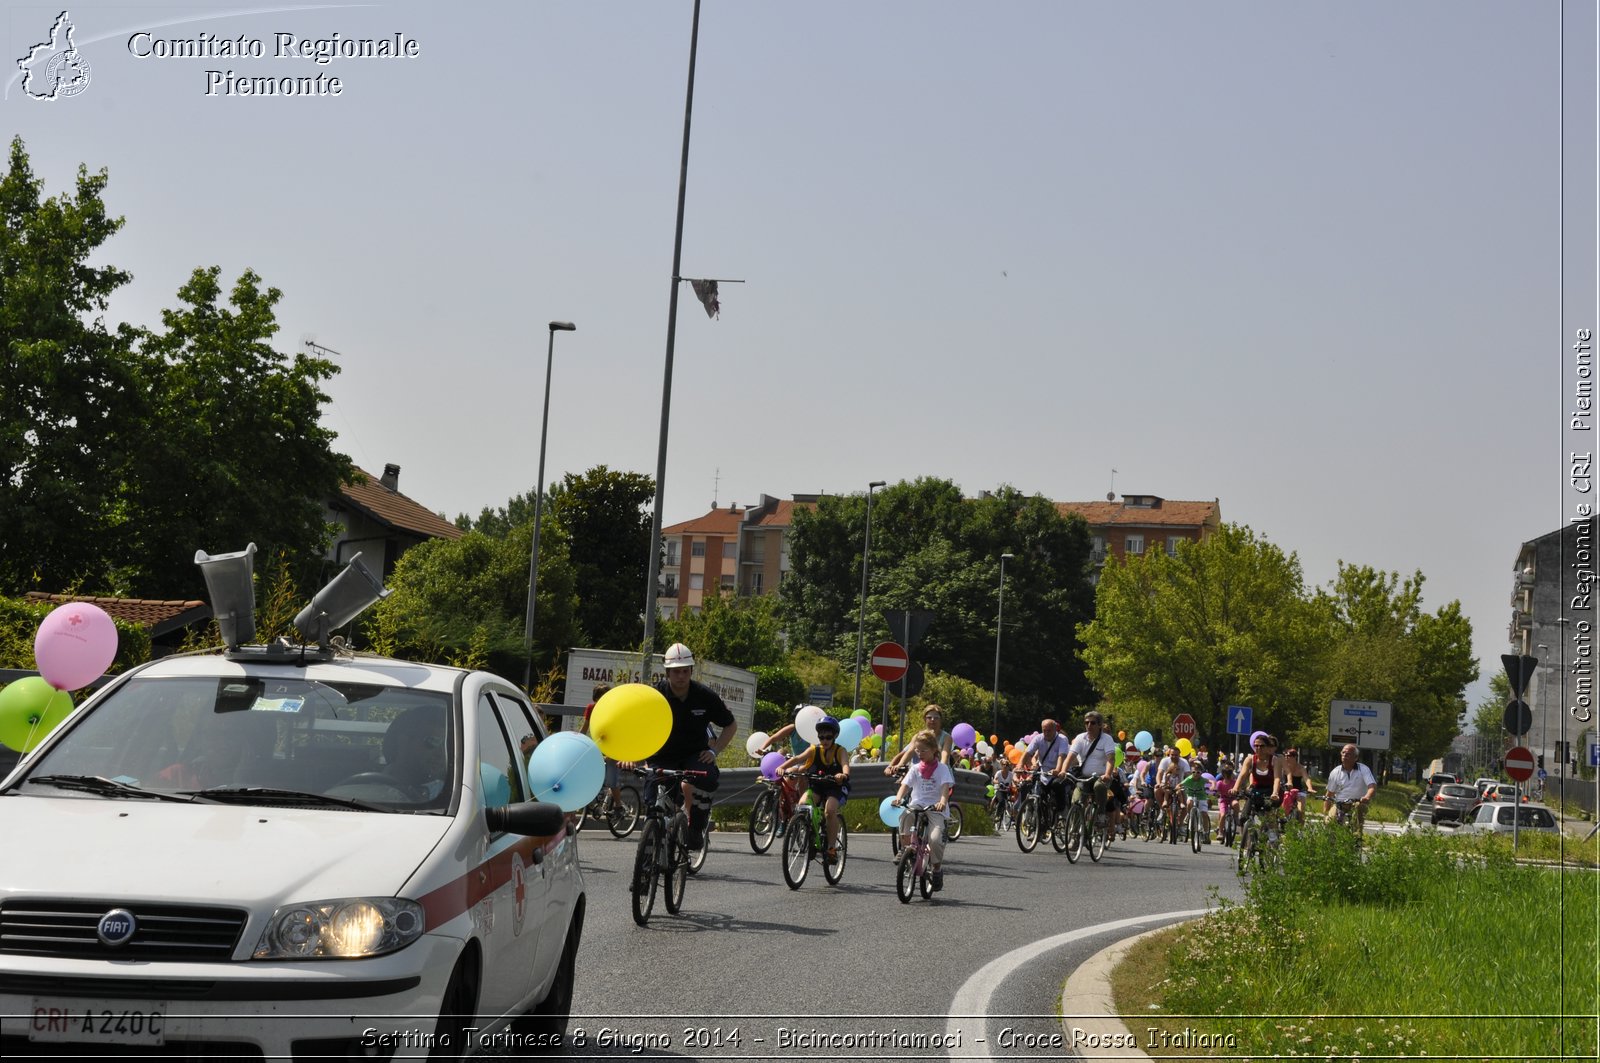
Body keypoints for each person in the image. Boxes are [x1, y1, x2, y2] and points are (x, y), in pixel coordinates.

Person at [641, 643, 736, 849]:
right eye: (676, 671)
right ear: (667, 672)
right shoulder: (654, 697)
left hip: (695, 755)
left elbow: (730, 724)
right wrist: (632, 755)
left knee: (708, 778)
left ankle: (696, 826)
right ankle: (646, 868)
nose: (681, 676)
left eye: (685, 671)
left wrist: (714, 751)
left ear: (691, 671)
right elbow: (639, 726)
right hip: (663, 756)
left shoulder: (705, 695)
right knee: (653, 805)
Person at [776, 715, 850, 862]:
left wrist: (843, 774)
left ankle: (831, 848)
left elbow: (845, 765)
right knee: (802, 805)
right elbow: (797, 759)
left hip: (835, 786)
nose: (825, 741)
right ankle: (809, 836)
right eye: (821, 737)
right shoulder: (814, 750)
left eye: (828, 737)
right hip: (817, 785)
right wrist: (782, 767)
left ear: (835, 736)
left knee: (829, 812)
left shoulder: (840, 751)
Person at [889, 729, 954, 891]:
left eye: (924, 750)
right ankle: (906, 849)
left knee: (935, 838)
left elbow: (945, 788)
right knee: (905, 815)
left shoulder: (942, 769)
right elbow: (905, 785)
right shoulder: (916, 768)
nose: (920, 754)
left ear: (934, 750)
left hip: (935, 808)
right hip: (917, 804)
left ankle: (937, 869)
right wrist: (898, 798)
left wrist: (942, 802)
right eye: (917, 750)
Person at [1059, 710, 1119, 833]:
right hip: (1083, 777)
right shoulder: (1080, 738)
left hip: (1101, 777)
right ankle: (1074, 834)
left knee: (1099, 787)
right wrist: (1063, 771)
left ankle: (1101, 814)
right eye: (1087, 723)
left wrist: (1107, 774)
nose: (1089, 725)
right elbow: (1070, 757)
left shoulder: (1107, 739)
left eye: (1093, 723)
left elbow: (1111, 759)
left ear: (1100, 725)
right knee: (1076, 801)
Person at [384, 705, 450, 802]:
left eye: (446, 746)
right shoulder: (367, 786)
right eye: (432, 741)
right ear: (404, 742)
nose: (441, 753)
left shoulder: (452, 796)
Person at [577, 682, 621, 808]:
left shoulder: (614, 710)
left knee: (612, 781)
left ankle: (618, 806)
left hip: (612, 748)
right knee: (591, 777)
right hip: (597, 746)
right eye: (599, 698)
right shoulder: (591, 708)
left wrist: (612, 753)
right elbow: (584, 728)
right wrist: (577, 742)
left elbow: (617, 732)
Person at [1017, 718, 1071, 814]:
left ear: (1055, 730)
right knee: (1035, 790)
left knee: (1056, 785)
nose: (1046, 733)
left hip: (1057, 772)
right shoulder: (1038, 738)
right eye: (1044, 730)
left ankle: (1061, 810)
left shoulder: (1062, 739)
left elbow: (1061, 756)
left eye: (1049, 730)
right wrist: (1020, 765)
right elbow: (1027, 753)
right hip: (1043, 772)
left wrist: (1058, 769)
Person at [884, 705, 954, 774]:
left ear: (940, 720)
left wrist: (941, 770)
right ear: (925, 719)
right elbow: (908, 752)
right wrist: (898, 765)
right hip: (921, 774)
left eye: (936, 718)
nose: (932, 719)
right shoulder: (919, 736)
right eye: (929, 717)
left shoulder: (946, 738)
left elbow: (945, 756)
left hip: (939, 774)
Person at [1322, 743, 1377, 830]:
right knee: (1329, 822)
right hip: (1340, 803)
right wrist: (1325, 813)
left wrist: (1366, 797)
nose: (1344, 755)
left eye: (1348, 754)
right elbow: (1329, 794)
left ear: (1355, 758)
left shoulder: (1363, 769)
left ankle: (1357, 840)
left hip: (1358, 802)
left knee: (1356, 823)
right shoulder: (1335, 772)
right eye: (1343, 753)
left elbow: (1372, 787)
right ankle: (1331, 842)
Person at [1235, 733, 1282, 833]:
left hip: (1270, 790)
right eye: (1256, 745)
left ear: (1267, 747)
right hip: (1256, 790)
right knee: (1244, 816)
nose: (1258, 748)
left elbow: (1277, 778)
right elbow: (1242, 775)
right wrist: (1235, 788)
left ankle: (1273, 839)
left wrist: (1275, 793)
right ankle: (1247, 840)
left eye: (1261, 746)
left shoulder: (1274, 760)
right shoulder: (1250, 759)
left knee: (1269, 815)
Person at [1280, 747, 1315, 824]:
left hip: (1299, 791)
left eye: (1288, 756)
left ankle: (1300, 831)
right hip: (1286, 789)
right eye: (1285, 756)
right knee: (1282, 810)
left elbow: (1306, 778)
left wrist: (1310, 788)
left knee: (1301, 810)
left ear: (1295, 757)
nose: (1286, 757)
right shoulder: (1284, 767)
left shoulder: (1301, 768)